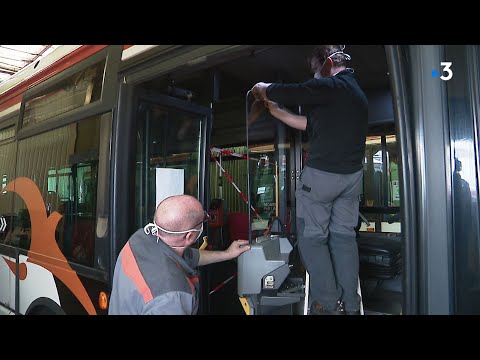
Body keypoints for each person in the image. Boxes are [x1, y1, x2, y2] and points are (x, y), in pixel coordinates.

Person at [251, 45, 368, 315]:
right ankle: (351, 303)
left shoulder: (335, 86)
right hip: (350, 180)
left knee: (312, 240)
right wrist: (274, 109)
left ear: (327, 64)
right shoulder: (354, 96)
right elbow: (305, 123)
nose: (315, 75)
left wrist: (263, 88)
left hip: (322, 179)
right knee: (342, 238)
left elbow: (297, 91)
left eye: (316, 70)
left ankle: (329, 303)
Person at [108, 194, 250, 315]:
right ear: (189, 236)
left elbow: (190, 256)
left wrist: (227, 254)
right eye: (204, 219)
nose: (206, 220)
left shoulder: (140, 239)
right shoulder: (172, 296)